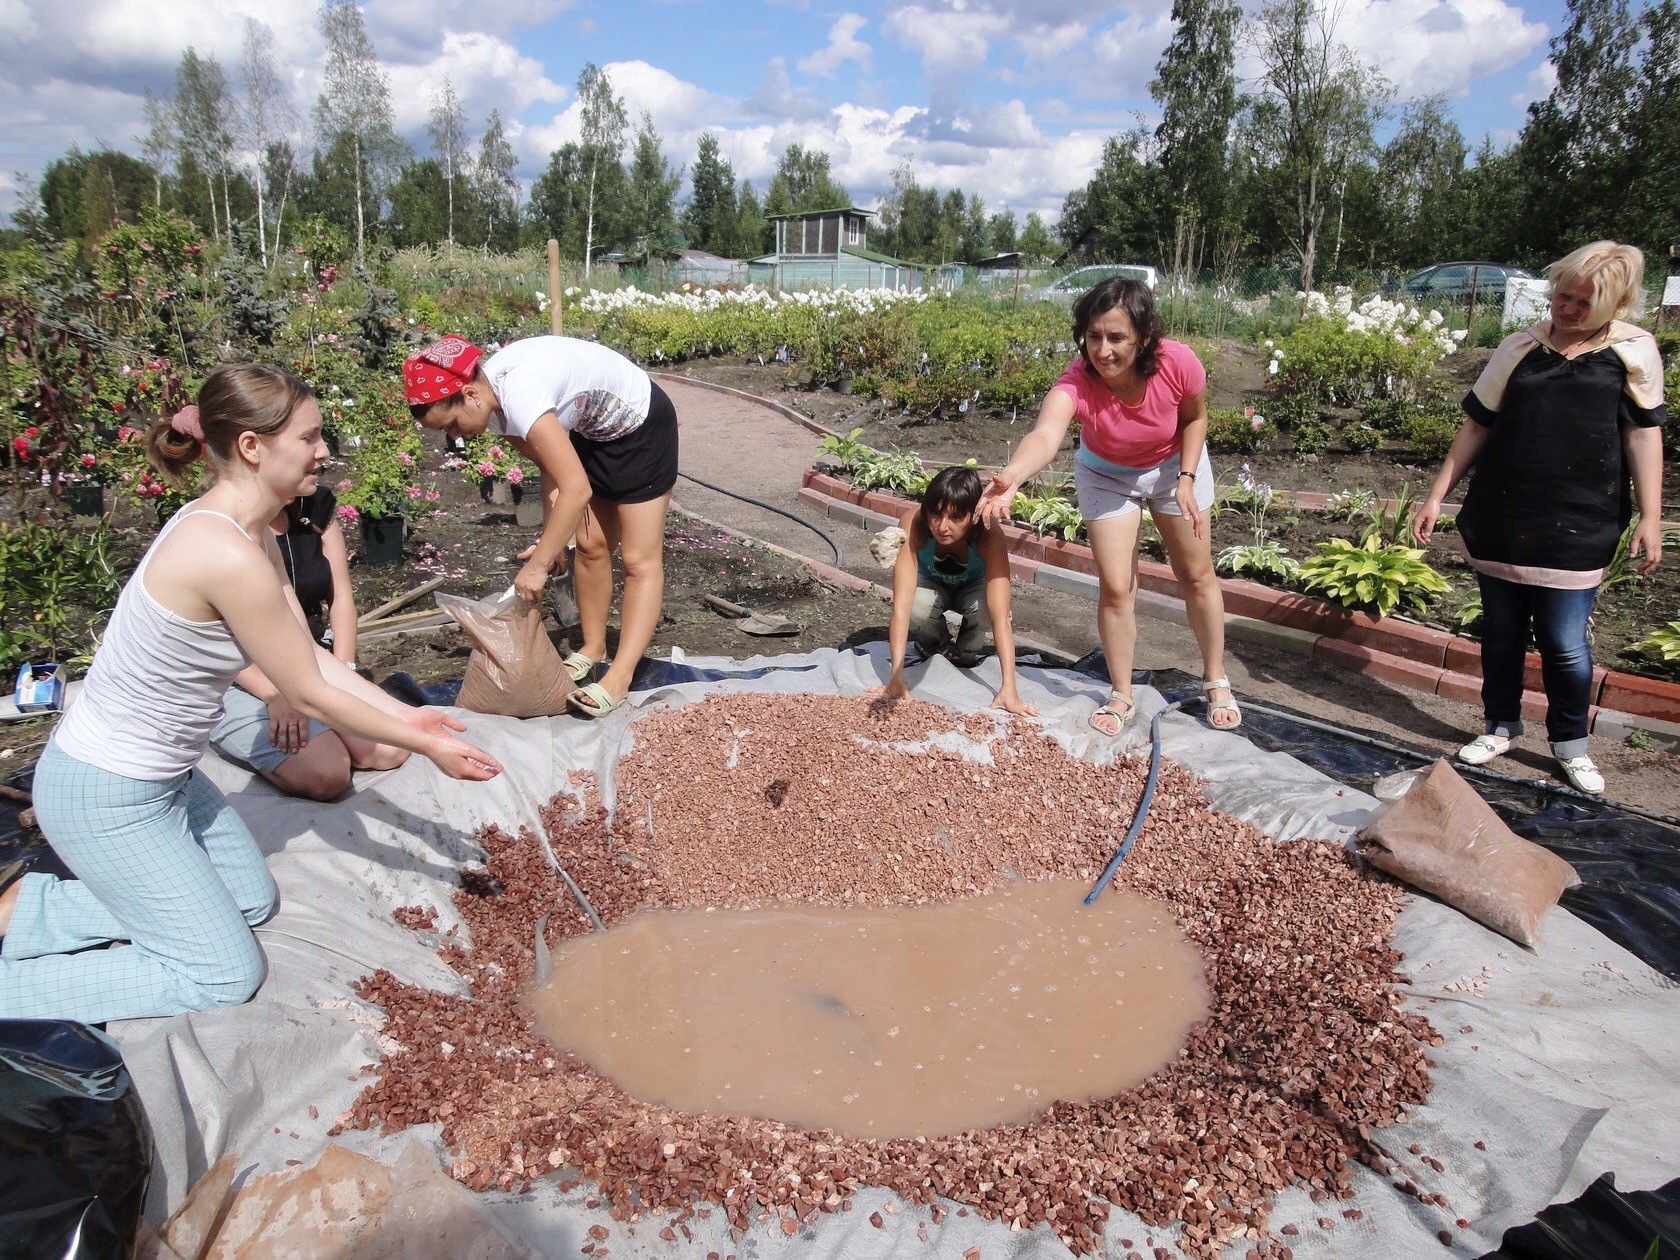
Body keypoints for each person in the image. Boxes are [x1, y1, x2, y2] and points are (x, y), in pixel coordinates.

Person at [0, 365, 501, 1026]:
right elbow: (308, 693)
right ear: (252, 447)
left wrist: (410, 714)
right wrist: (427, 742)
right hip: (105, 792)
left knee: (249, 898)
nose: (324, 451)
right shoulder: (222, 552)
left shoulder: (256, 532)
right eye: (311, 436)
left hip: (164, 780)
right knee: (221, 973)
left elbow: (314, 664)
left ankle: (29, 912)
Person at [1413, 241, 1665, 795]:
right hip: (1504, 513)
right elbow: (1477, 426)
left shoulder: (1633, 352)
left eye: (1582, 302)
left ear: (1614, 304)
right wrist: (1436, 495)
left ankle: (1569, 742)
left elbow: (1643, 432)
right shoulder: (1519, 347)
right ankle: (1500, 725)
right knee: (1501, 633)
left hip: (1581, 522)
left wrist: (1651, 514)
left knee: (1565, 642)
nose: (1566, 308)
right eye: (1562, 294)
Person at [977, 276, 1239, 736]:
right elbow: (1045, 433)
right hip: (1105, 473)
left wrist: (1186, 477)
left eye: (1116, 337)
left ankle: (1216, 678)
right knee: (1117, 586)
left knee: (1196, 574)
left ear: (1145, 337)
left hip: (1175, 464)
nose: (1103, 350)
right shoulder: (1077, 382)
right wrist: (1014, 475)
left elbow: (1196, 417)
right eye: (1093, 336)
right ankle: (1121, 692)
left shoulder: (1178, 362)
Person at [404, 335, 679, 719]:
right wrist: (550, 544)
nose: (455, 438)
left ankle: (619, 676)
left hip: (640, 426)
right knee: (590, 546)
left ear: (468, 394)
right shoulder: (494, 408)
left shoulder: (520, 396)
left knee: (639, 560)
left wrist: (537, 567)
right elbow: (553, 468)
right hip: (592, 432)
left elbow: (576, 488)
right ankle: (593, 648)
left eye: (451, 425)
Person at [208, 487, 411, 800]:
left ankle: (324, 731)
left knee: (391, 749)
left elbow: (340, 596)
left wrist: (345, 669)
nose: (319, 454)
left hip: (307, 659)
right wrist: (274, 695)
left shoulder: (314, 508)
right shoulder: (218, 524)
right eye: (306, 440)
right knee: (327, 774)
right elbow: (213, 635)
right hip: (242, 672)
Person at [876, 465, 1038, 716]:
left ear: (972, 516)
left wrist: (1009, 688)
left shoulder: (988, 534)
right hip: (932, 585)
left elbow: (1000, 617)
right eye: (936, 514)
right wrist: (896, 675)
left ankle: (965, 652)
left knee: (985, 609)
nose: (942, 526)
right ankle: (935, 644)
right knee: (916, 607)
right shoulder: (913, 524)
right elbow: (901, 607)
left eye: (955, 517)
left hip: (973, 588)